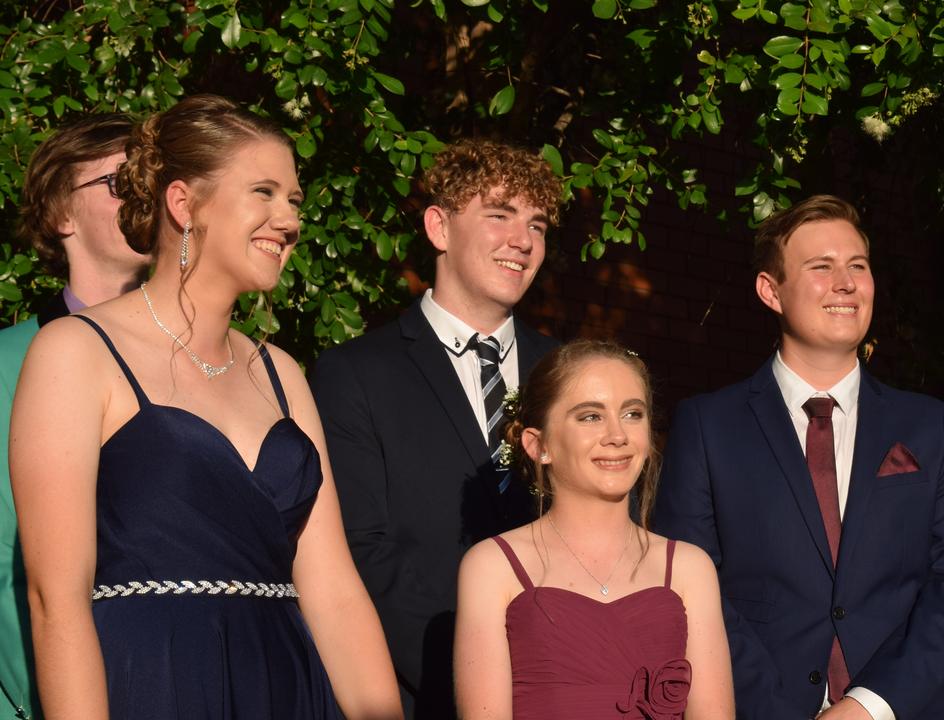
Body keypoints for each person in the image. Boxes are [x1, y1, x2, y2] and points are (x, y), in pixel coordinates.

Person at [9, 94, 400, 719]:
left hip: (288, 686)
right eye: (264, 192)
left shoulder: (282, 375)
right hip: (155, 680)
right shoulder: (77, 352)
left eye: (294, 200)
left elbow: (334, 593)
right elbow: (56, 598)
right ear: (183, 203)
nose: (289, 220)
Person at [655, 194, 944, 719]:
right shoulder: (707, 427)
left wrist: (867, 707)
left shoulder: (931, 428)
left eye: (858, 266)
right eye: (822, 267)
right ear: (771, 291)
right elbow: (688, 590)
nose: (847, 282)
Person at [310, 139, 561, 718]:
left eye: (538, 225)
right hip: (421, 690)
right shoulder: (355, 373)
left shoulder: (568, 374)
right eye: (499, 215)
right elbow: (359, 552)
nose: (522, 241)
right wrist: (484, 675)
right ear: (438, 228)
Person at [454, 339, 734, 719]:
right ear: (539, 445)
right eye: (590, 416)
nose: (618, 435)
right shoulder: (492, 567)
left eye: (633, 414)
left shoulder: (689, 568)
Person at [0, 113, 148, 720]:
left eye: (152, 180)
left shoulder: (217, 362)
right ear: (62, 214)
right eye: (120, 183)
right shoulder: (8, 364)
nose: (143, 195)